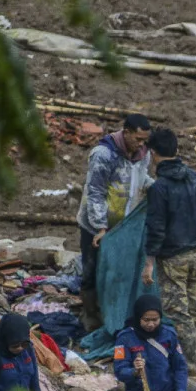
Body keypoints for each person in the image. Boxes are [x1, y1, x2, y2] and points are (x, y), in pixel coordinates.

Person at [143, 128, 196, 375]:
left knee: (179, 311)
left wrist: (149, 262)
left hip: (173, 257)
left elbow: (156, 227)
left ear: (153, 153)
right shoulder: (193, 178)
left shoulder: (159, 188)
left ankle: (189, 365)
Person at [76, 114, 154, 311]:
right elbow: (96, 192)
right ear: (126, 133)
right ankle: (91, 316)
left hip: (124, 225)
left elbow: (141, 179)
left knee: (119, 270)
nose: (141, 144)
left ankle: (114, 312)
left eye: (145, 140)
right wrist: (100, 227)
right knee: (92, 271)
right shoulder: (104, 154)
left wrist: (157, 189)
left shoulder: (143, 154)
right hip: (96, 225)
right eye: (138, 139)